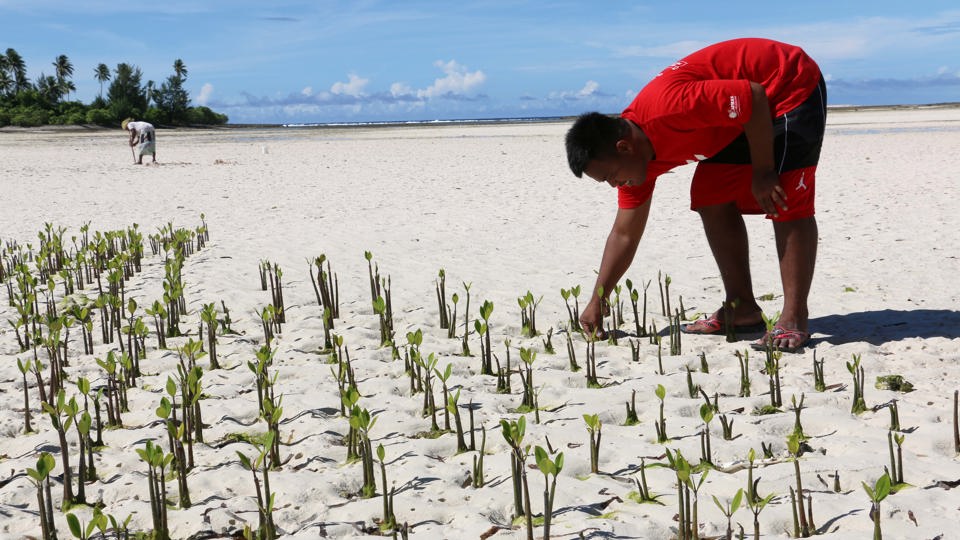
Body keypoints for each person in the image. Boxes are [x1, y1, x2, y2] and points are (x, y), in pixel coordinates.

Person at [565, 38, 826, 353]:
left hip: (785, 83)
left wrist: (763, 170)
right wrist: (598, 299)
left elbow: (753, 97)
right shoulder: (635, 161)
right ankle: (741, 308)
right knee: (710, 195)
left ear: (624, 147)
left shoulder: (670, 108)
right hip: (738, 116)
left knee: (782, 194)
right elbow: (624, 233)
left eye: (609, 177)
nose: (613, 185)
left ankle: (794, 318)